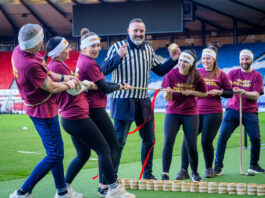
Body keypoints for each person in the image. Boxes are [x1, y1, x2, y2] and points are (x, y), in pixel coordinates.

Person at [46, 35, 135, 198]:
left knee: (84, 154)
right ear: (58, 52)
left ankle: (63, 190)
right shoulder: (59, 67)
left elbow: (74, 85)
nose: (69, 50)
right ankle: (112, 188)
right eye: (66, 48)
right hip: (76, 116)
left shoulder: (60, 65)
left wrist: (85, 84)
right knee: (105, 148)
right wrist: (87, 85)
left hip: (72, 116)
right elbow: (75, 87)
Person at [102, 18, 181, 180]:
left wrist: (172, 60)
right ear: (128, 31)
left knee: (149, 140)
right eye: (135, 30)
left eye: (141, 31)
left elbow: (159, 71)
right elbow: (103, 70)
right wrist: (118, 57)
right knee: (119, 142)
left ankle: (148, 174)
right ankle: (112, 178)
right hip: (122, 100)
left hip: (143, 101)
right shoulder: (117, 48)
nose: (138, 34)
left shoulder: (148, 49)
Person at [10, 24, 78, 198]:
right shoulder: (30, 63)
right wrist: (69, 84)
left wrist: (64, 77)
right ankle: (22, 192)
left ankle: (62, 191)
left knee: (54, 152)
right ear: (35, 43)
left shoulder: (19, 51)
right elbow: (51, 87)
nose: (42, 41)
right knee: (55, 154)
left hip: (39, 108)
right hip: (43, 110)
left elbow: (46, 73)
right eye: (40, 39)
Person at [76, 28, 131, 197]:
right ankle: (107, 186)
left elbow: (101, 84)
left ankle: (103, 186)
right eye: (92, 45)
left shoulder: (82, 60)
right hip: (95, 108)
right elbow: (106, 88)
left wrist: (115, 84)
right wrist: (120, 85)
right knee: (112, 146)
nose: (96, 48)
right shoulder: (90, 63)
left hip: (90, 107)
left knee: (101, 149)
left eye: (98, 45)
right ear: (84, 47)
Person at [179, 46, 233, 179]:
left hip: (213, 112)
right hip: (194, 112)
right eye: (203, 58)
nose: (205, 60)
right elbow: (184, 86)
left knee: (205, 141)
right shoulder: (196, 73)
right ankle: (183, 170)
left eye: (208, 58)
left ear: (214, 59)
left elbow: (230, 93)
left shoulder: (221, 74)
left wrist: (220, 92)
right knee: (187, 140)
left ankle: (209, 169)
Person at [214, 49, 265, 175]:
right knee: (222, 137)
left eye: (246, 59)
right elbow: (227, 89)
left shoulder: (256, 76)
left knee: (255, 138)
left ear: (251, 60)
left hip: (249, 111)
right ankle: (217, 167)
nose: (244, 61)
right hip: (232, 110)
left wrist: (243, 92)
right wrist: (232, 90)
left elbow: (256, 95)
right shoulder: (232, 73)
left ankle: (254, 165)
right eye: (242, 59)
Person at [161, 50, 207, 182]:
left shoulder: (196, 75)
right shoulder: (171, 74)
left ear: (191, 64)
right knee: (168, 141)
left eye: (185, 61)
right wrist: (168, 93)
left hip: (190, 113)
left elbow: (204, 93)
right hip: (173, 112)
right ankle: (165, 174)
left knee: (191, 144)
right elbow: (166, 98)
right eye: (180, 60)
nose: (181, 63)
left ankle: (194, 172)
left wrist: (192, 92)